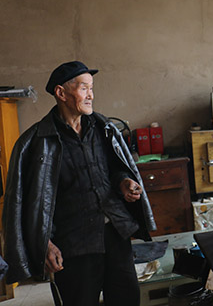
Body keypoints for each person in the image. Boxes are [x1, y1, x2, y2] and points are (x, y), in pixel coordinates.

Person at [2, 61, 156, 306]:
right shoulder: (34, 143)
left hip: (115, 234)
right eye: (84, 88)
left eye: (91, 88)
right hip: (73, 245)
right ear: (61, 93)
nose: (91, 95)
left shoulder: (103, 128)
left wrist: (124, 182)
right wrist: (45, 244)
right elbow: (27, 203)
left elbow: (113, 170)